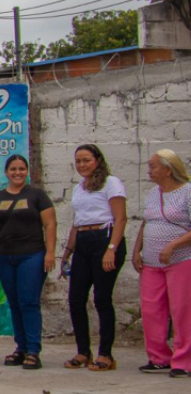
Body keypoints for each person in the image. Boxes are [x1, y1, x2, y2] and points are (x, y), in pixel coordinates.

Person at [0, 155, 56, 370]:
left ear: (27, 171)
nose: (17, 172)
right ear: (6, 172)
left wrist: (50, 253)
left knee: (29, 303)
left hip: (32, 255)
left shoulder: (37, 195)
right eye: (13, 169)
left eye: (22, 169)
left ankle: (33, 350)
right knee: (14, 304)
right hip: (5, 257)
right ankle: (20, 348)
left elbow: (50, 225)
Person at [62, 143, 127, 372]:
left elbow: (120, 219)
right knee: (76, 298)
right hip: (83, 242)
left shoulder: (111, 183)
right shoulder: (79, 187)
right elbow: (77, 221)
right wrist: (68, 252)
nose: (82, 165)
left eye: (86, 160)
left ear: (97, 160)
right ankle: (83, 351)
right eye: (78, 161)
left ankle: (106, 354)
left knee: (101, 299)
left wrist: (111, 248)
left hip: (105, 240)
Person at [133, 150, 191, 377]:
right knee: (151, 309)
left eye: (153, 166)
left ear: (168, 169)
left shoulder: (187, 192)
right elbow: (145, 223)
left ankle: (184, 360)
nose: (149, 170)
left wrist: (173, 245)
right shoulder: (152, 194)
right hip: (151, 262)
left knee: (182, 310)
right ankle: (158, 357)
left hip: (181, 260)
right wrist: (137, 249)